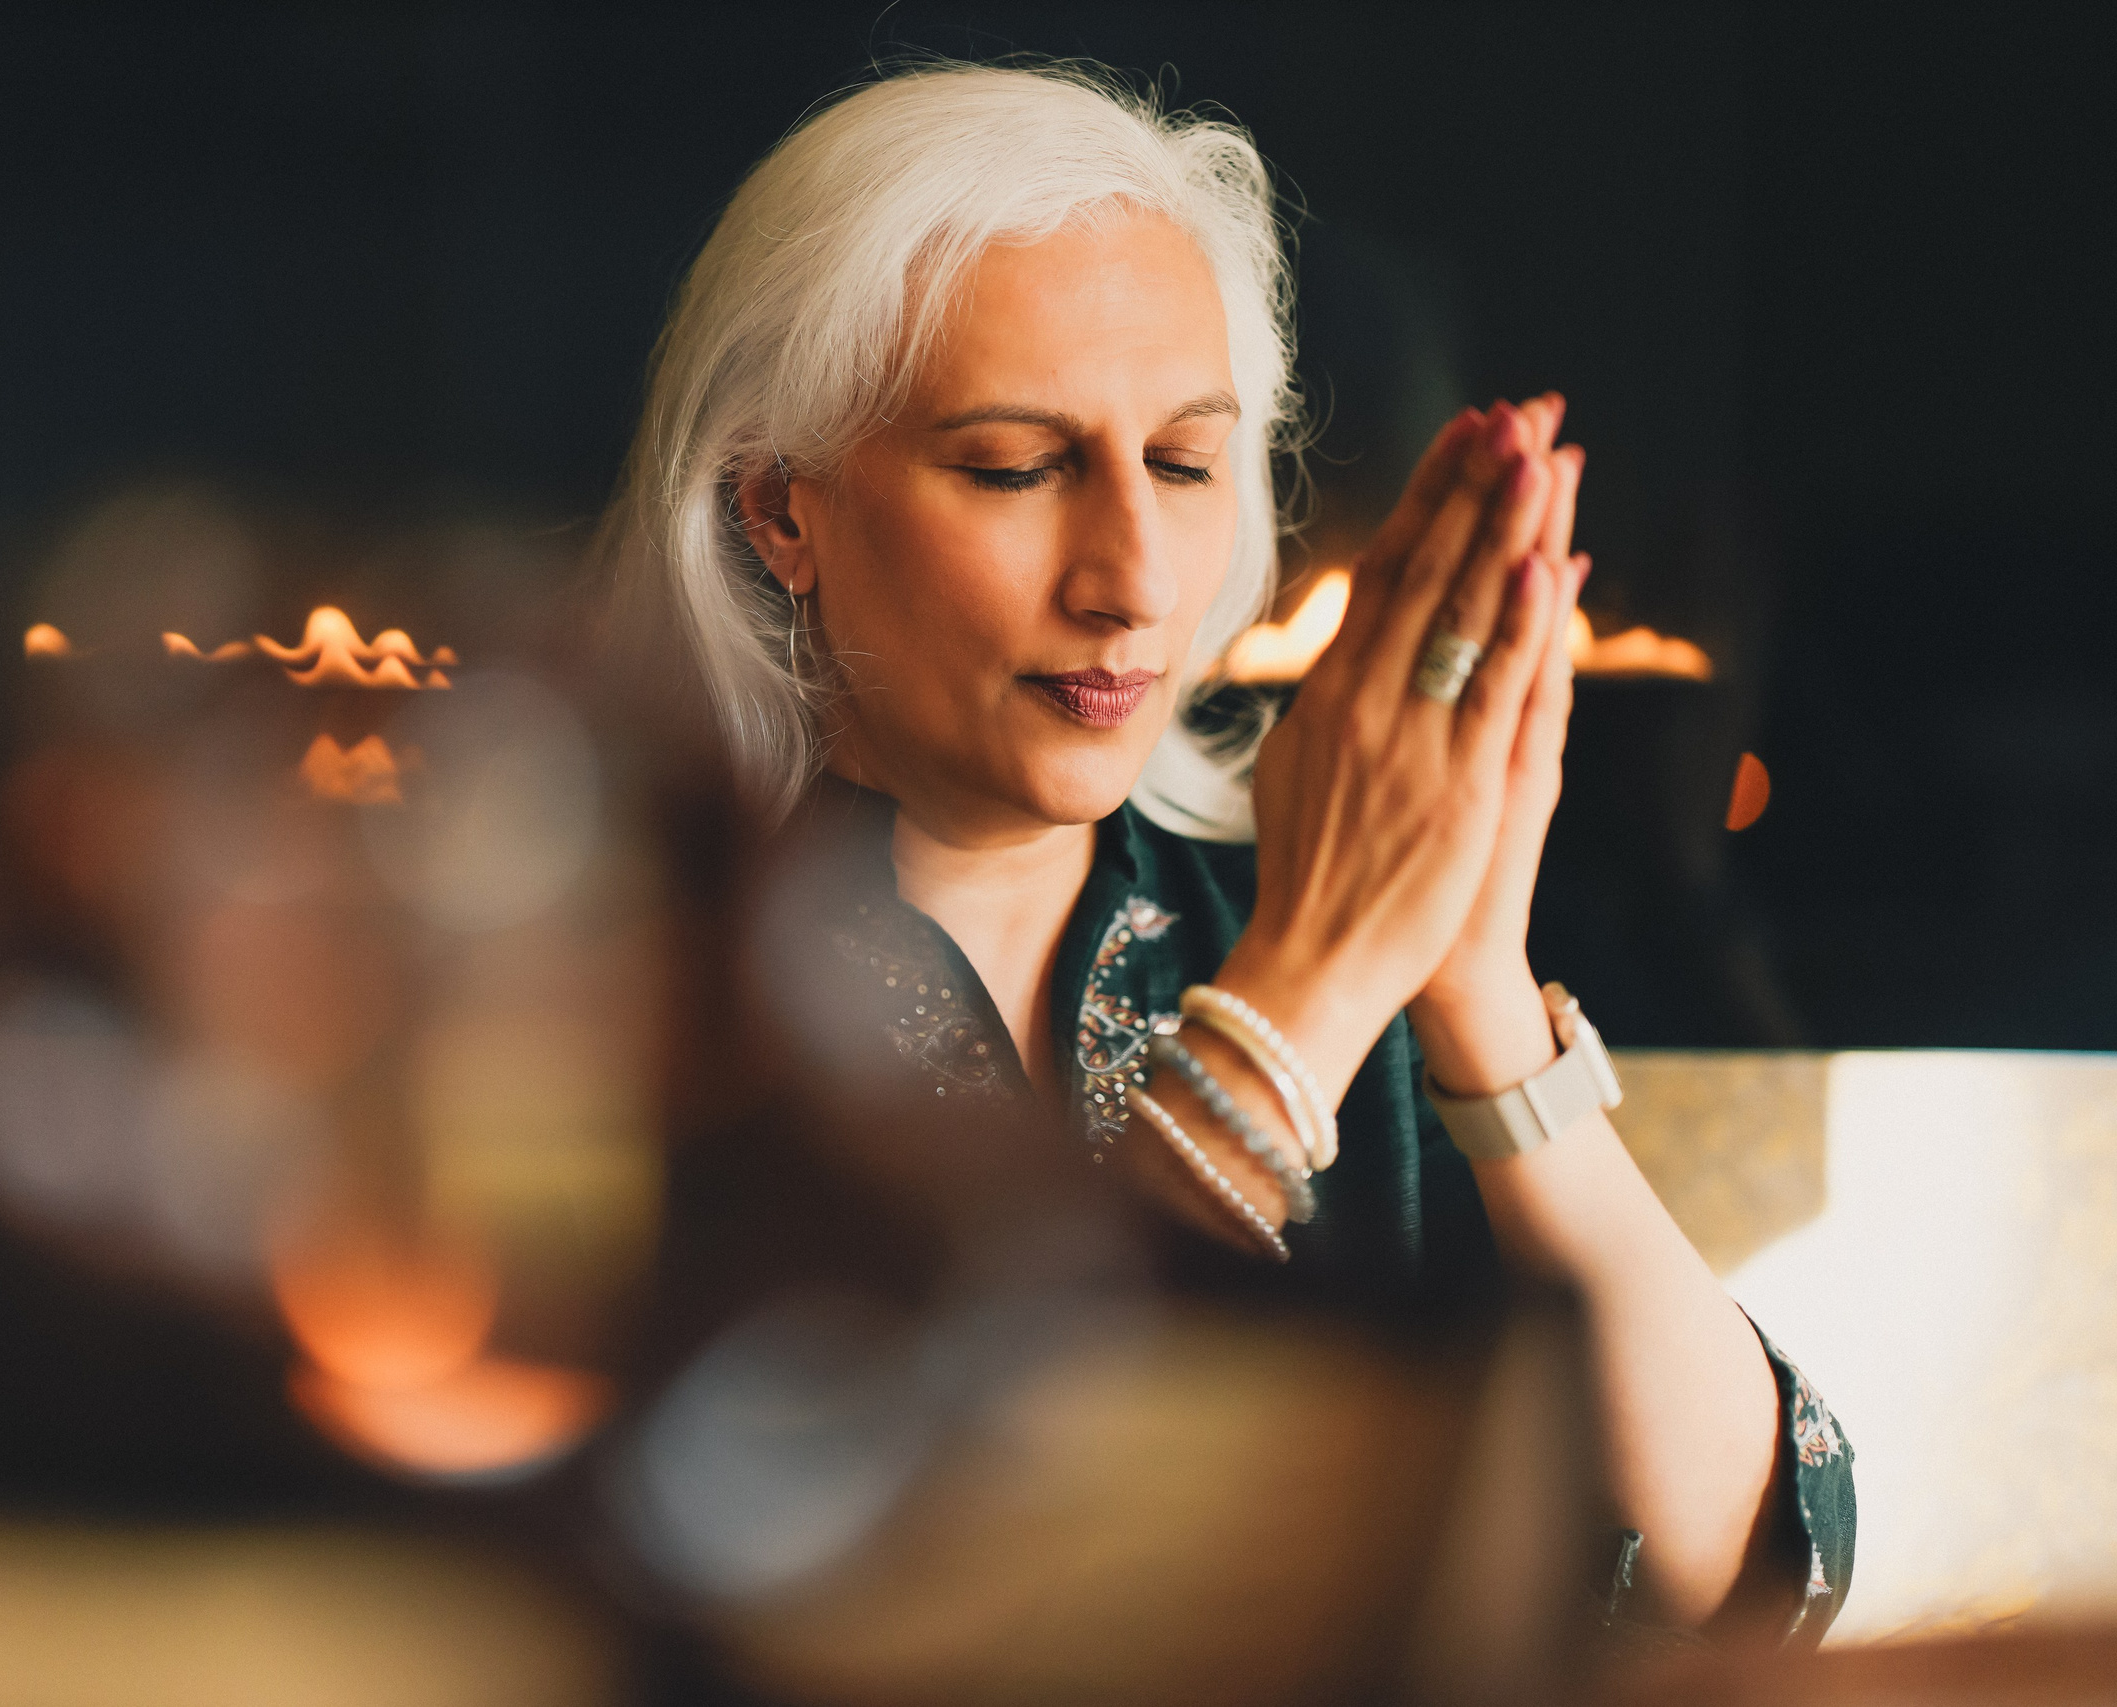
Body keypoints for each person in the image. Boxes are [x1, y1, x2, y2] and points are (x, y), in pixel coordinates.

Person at [594, 61, 1851, 1643]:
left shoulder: (1313, 925)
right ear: (782, 511)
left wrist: (1470, 986)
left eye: (1184, 465)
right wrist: (1297, 1007)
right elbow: (941, 1597)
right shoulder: (656, 981)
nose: (1130, 577)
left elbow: (1754, 1571)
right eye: (1016, 466)